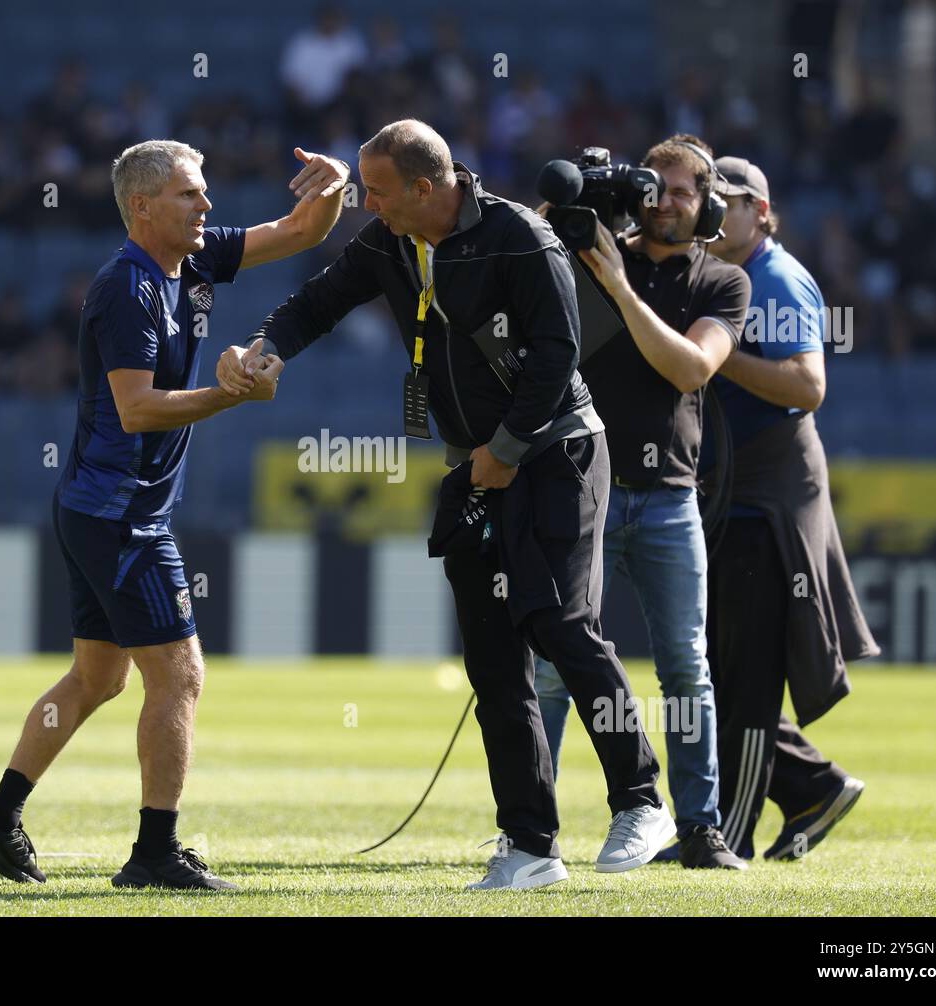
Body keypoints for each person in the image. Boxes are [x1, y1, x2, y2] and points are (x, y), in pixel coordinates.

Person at [220, 119, 675, 890]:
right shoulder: (391, 240)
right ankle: (530, 845)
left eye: (380, 192)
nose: (367, 205)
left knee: (560, 622)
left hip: (555, 452)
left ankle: (642, 800)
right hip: (475, 466)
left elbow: (558, 356)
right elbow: (318, 302)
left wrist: (502, 451)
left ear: (427, 188)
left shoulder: (520, 237)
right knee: (492, 656)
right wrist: (260, 348)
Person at [0, 139, 350, 891]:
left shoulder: (189, 260)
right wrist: (235, 392)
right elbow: (137, 412)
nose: (207, 207)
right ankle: (154, 855)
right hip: (119, 516)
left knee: (98, 680)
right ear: (143, 208)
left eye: (203, 194)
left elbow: (298, 232)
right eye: (189, 196)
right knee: (181, 678)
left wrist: (336, 184)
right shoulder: (128, 288)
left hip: (99, 510)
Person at [533, 136, 751, 869]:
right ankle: (534, 830)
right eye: (655, 186)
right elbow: (519, 271)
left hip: (666, 498)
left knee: (686, 668)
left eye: (686, 191)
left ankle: (700, 828)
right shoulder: (590, 250)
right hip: (582, 492)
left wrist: (621, 286)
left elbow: (691, 368)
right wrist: (567, 203)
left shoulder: (721, 282)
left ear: (710, 204)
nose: (666, 200)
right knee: (554, 667)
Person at [701, 155, 877, 860]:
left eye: (730, 200)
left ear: (762, 212)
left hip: (766, 499)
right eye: (707, 199)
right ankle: (814, 787)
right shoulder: (718, 275)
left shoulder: (774, 279)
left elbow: (807, 384)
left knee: (741, 675)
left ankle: (728, 832)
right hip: (731, 494)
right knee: (718, 668)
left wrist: (714, 354)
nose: (716, 211)